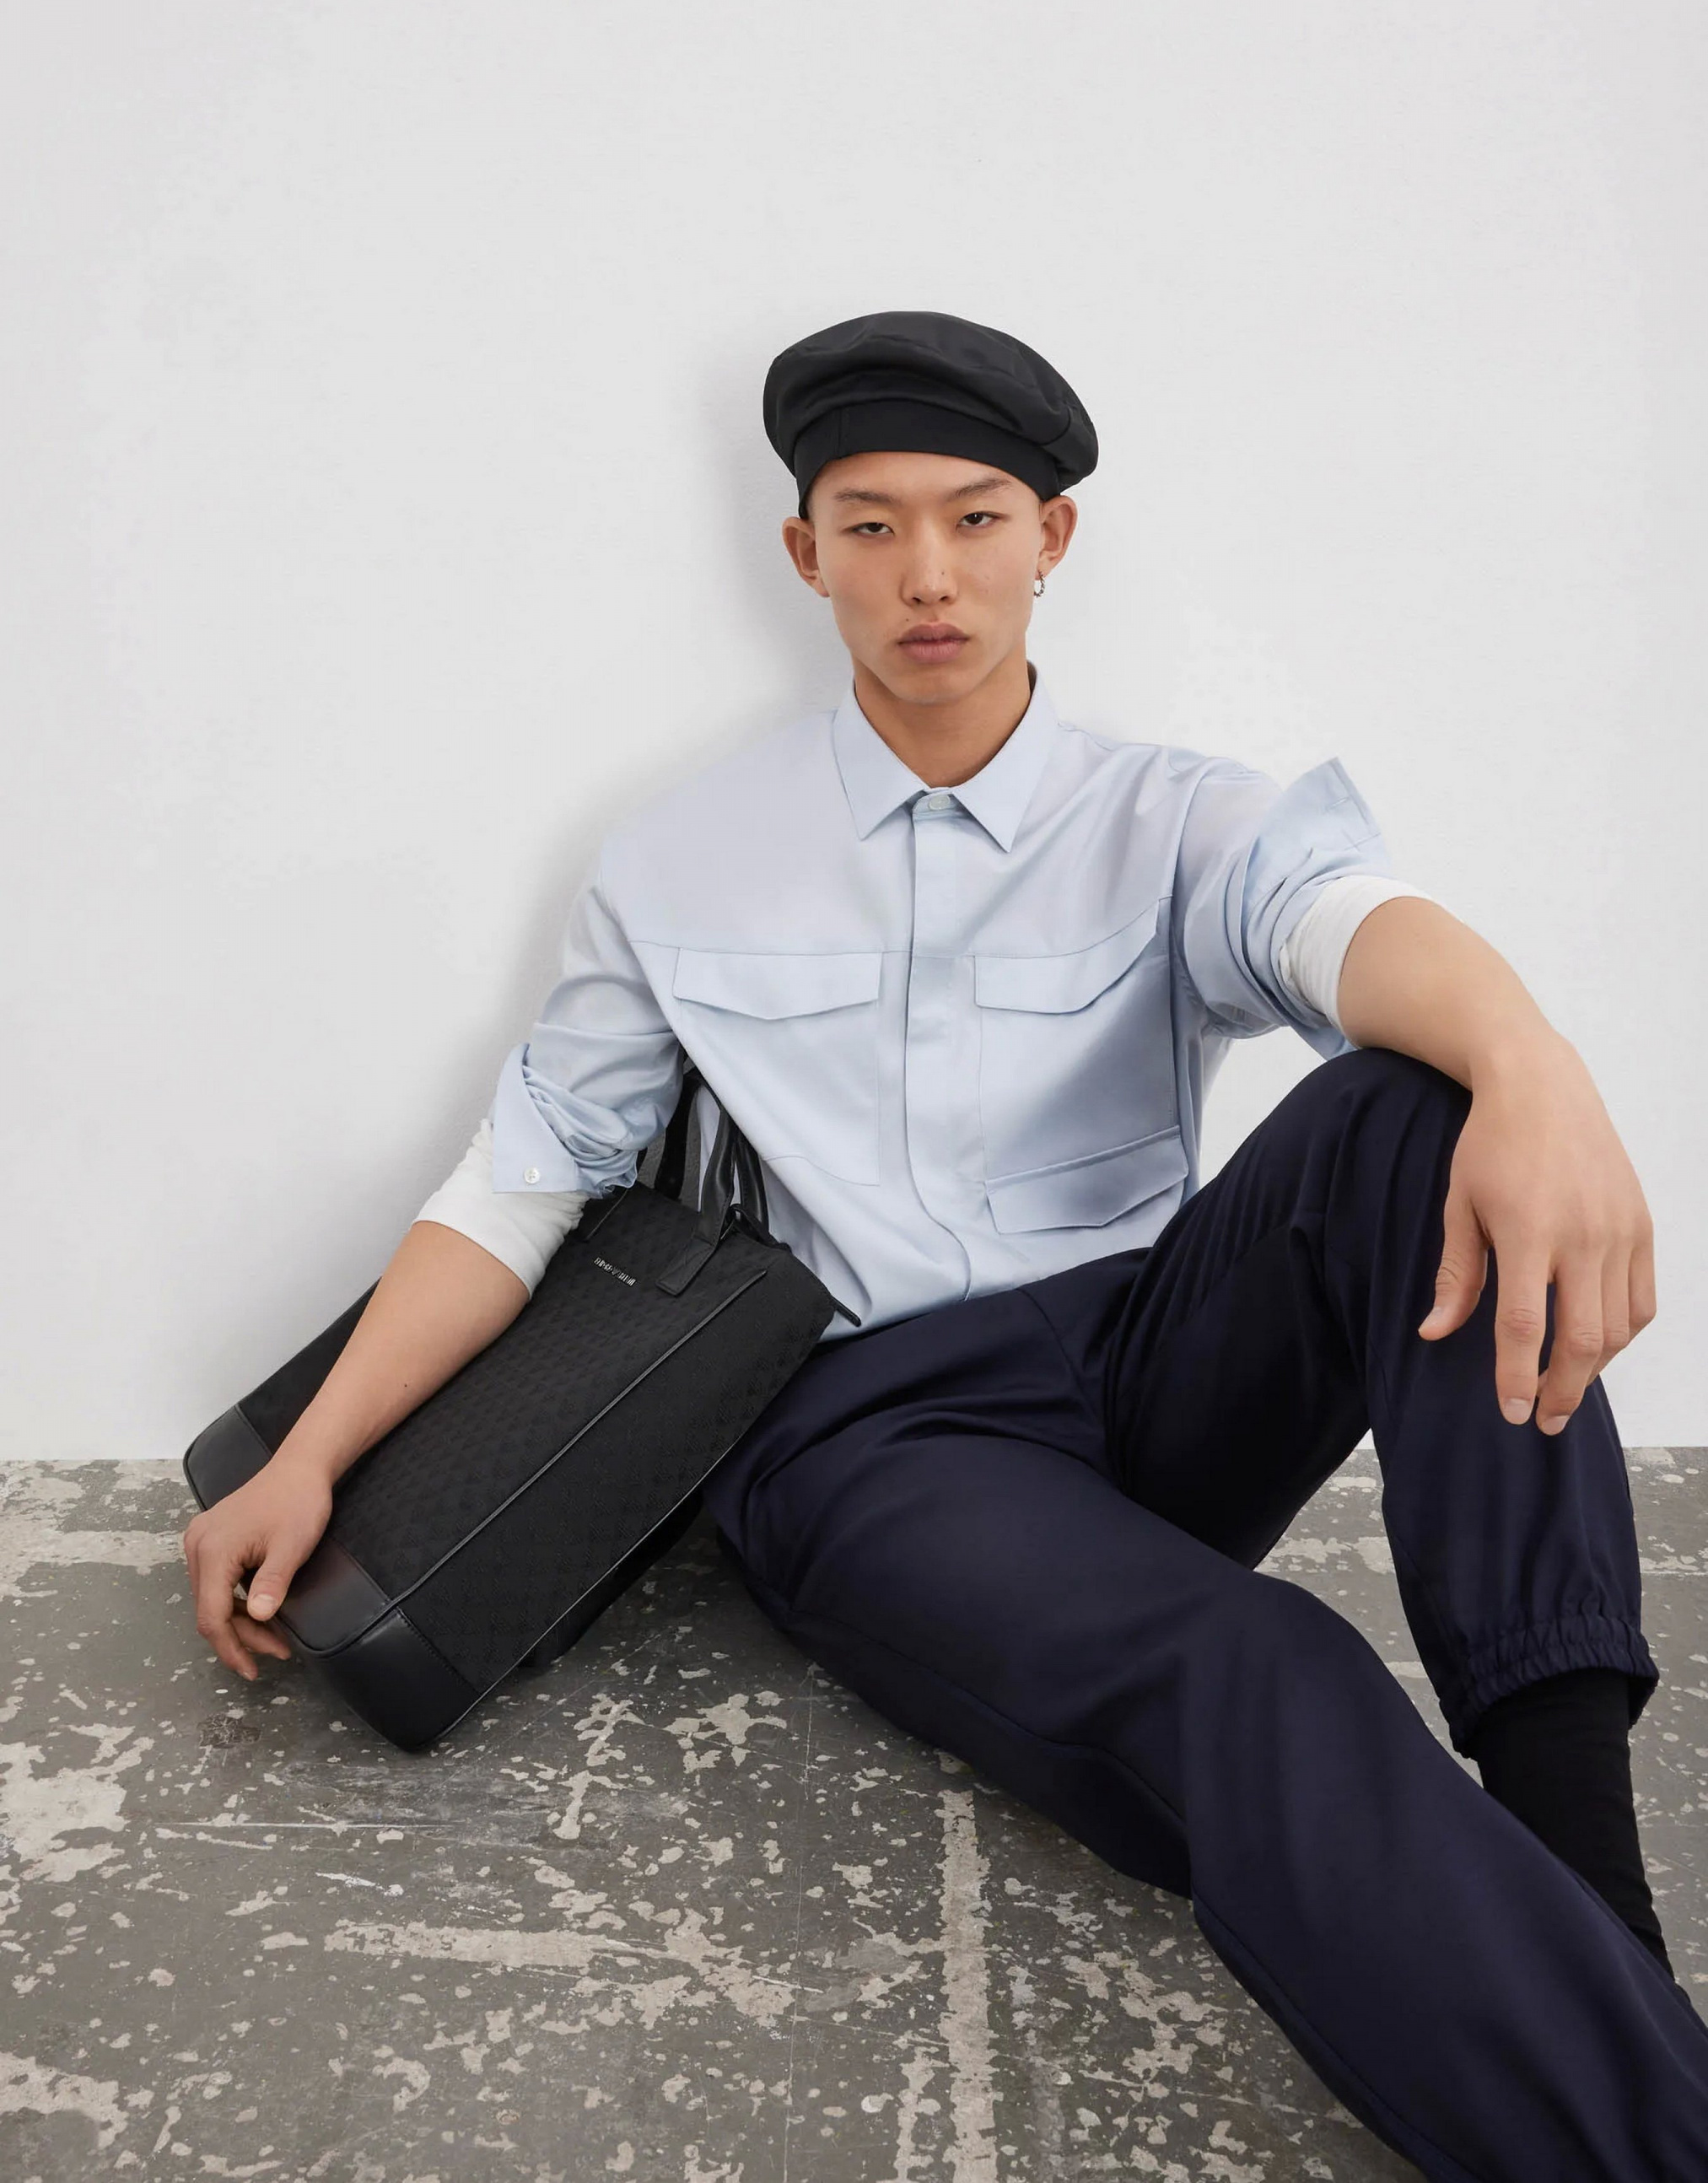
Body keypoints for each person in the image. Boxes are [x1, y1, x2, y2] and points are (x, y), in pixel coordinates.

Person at [180, 310, 1708, 2179]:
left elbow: (1340, 918)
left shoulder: (1166, 814)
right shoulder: (681, 856)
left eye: (975, 519)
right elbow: (523, 1178)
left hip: (1144, 1363)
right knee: (1266, 1670)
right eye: (872, 523)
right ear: (802, 552)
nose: (926, 573)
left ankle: (1578, 1876)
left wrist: (1533, 1068)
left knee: (1413, 1103)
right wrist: (314, 1457)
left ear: (1048, 538)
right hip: (874, 1437)